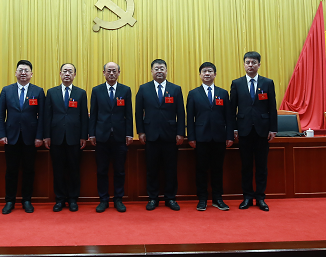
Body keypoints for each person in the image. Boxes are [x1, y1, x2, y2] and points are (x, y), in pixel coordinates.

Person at [230, 51, 277, 211]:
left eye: (253, 62)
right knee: (246, 166)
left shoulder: (268, 83)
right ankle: (247, 197)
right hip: (243, 131)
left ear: (259, 65)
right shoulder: (237, 83)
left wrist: (273, 128)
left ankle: (260, 197)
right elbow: (232, 109)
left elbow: (272, 108)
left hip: (262, 131)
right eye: (248, 62)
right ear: (244, 65)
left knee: (262, 166)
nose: (250, 65)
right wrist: (234, 128)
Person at [135, 59, 185, 211]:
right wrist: (141, 132)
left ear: (166, 71)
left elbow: (181, 113)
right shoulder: (143, 89)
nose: (159, 71)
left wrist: (180, 133)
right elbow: (138, 112)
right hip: (150, 136)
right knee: (152, 169)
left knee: (171, 169)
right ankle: (153, 198)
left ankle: (170, 198)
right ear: (151, 71)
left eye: (162, 68)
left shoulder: (175, 89)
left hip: (170, 136)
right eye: (156, 69)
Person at [0, 60, 44, 214]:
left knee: (29, 170)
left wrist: (39, 136)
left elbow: (42, 116)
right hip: (11, 138)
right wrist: (2, 134)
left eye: (26, 70)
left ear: (31, 74)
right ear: (16, 73)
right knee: (11, 170)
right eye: (20, 70)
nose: (23, 73)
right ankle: (10, 201)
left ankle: (27, 200)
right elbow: (0, 115)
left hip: (31, 138)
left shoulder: (38, 91)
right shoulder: (6, 90)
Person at [186, 62, 234, 211]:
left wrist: (229, 136)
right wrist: (191, 137)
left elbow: (229, 117)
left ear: (215, 74)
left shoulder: (223, 93)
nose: (207, 74)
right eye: (204, 71)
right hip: (200, 138)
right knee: (201, 169)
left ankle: (217, 198)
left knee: (217, 169)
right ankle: (202, 199)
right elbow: (190, 118)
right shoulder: (193, 94)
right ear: (200, 75)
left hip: (219, 138)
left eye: (210, 71)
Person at [43, 63, 89, 212]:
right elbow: (47, 116)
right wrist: (46, 136)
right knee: (58, 170)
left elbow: (84, 116)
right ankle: (60, 199)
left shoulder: (81, 93)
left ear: (74, 75)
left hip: (74, 138)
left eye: (70, 71)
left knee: (74, 169)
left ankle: (73, 199)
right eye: (65, 71)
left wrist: (83, 136)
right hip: (56, 138)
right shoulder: (51, 92)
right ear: (60, 74)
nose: (67, 74)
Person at [88, 62, 133, 213]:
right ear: (104, 73)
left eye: (114, 71)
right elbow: (93, 114)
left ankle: (118, 199)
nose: (111, 73)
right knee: (102, 170)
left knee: (119, 170)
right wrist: (92, 134)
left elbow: (128, 114)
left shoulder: (125, 90)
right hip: (102, 137)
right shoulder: (96, 90)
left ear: (119, 72)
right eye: (109, 71)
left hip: (120, 137)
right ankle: (103, 199)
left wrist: (129, 133)